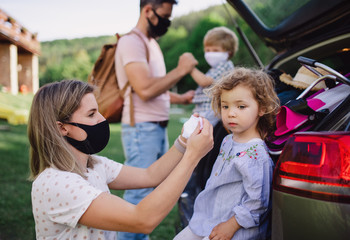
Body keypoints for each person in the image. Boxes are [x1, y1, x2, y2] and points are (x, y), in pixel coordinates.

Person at [28, 79, 213, 240]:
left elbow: (150, 176)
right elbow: (142, 220)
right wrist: (192, 157)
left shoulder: (94, 164)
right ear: (62, 128)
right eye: (91, 114)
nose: (102, 119)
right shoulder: (57, 183)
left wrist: (184, 142)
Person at [115, 1, 198, 238]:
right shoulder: (131, 42)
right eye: (164, 16)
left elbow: (156, 86)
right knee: (138, 194)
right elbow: (144, 89)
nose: (167, 23)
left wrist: (180, 98)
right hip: (142, 128)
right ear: (148, 11)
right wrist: (181, 70)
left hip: (155, 127)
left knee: (149, 192)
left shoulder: (151, 43)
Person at [174, 67, 280, 240]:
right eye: (225, 106)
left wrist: (231, 225)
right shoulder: (228, 140)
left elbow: (258, 202)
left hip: (234, 229)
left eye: (241, 106)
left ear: (261, 108)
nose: (231, 113)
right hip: (209, 217)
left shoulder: (256, 154)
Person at [181, 26, 239, 213]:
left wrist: (190, 69)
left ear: (228, 52)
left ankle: (191, 184)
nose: (209, 54)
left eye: (215, 50)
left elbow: (205, 82)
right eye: (207, 50)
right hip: (203, 110)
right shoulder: (217, 67)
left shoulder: (224, 67)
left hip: (210, 114)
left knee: (194, 144)